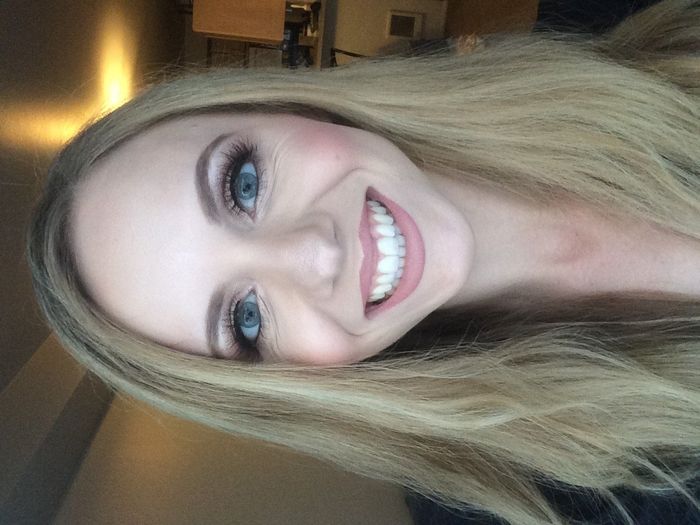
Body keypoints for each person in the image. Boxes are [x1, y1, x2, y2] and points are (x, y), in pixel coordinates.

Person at [26, 1, 700, 523]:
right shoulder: (539, 505)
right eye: (247, 320)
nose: (316, 252)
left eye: (244, 184)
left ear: (285, 106)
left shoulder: (619, 20)